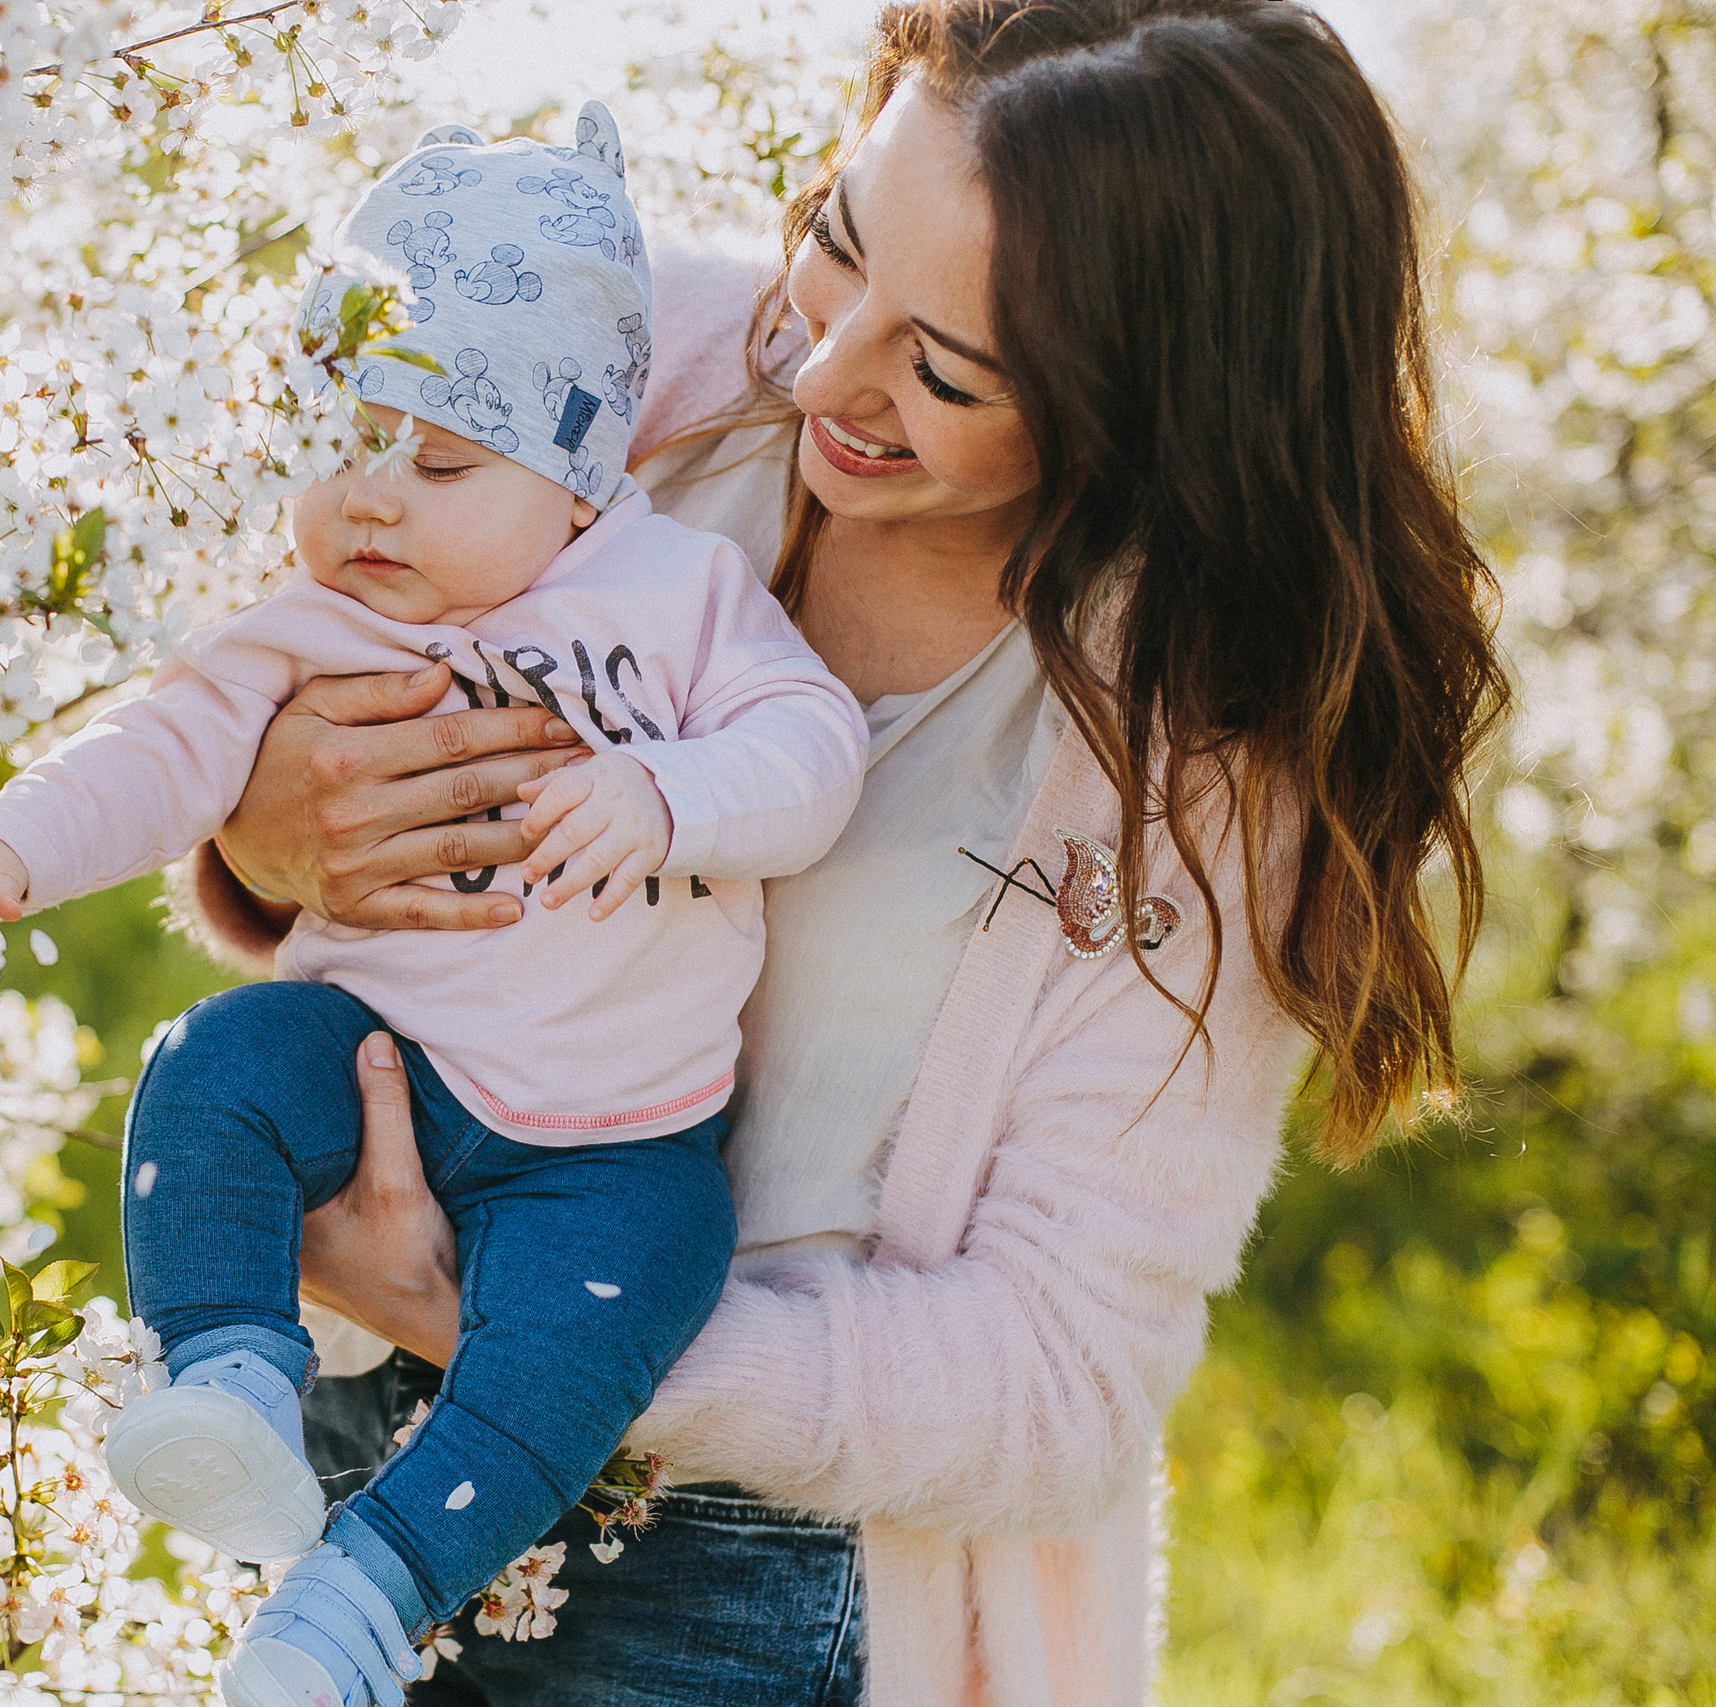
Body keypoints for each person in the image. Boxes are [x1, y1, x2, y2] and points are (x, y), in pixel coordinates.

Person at [176, 2, 1511, 1702]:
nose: (819, 375)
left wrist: (542, 1338)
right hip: (340, 1427)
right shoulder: (639, 365)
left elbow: (1058, 1383)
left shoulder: (1201, 772)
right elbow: (298, 654)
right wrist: (267, 825)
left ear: (1157, 402)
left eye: (945, 372)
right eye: (839, 242)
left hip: (736, 1570)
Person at [0, 105, 867, 1707]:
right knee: (213, 1066)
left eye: (436, 465)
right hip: (377, 1061)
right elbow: (161, 750)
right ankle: (228, 1377)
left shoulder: (678, 594)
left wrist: (666, 798)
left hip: (616, 1138)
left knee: (600, 1329)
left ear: (578, 484)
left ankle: (360, 1598)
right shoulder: (316, 619)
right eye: (341, 444)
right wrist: (5, 846)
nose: (369, 502)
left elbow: (814, 750)